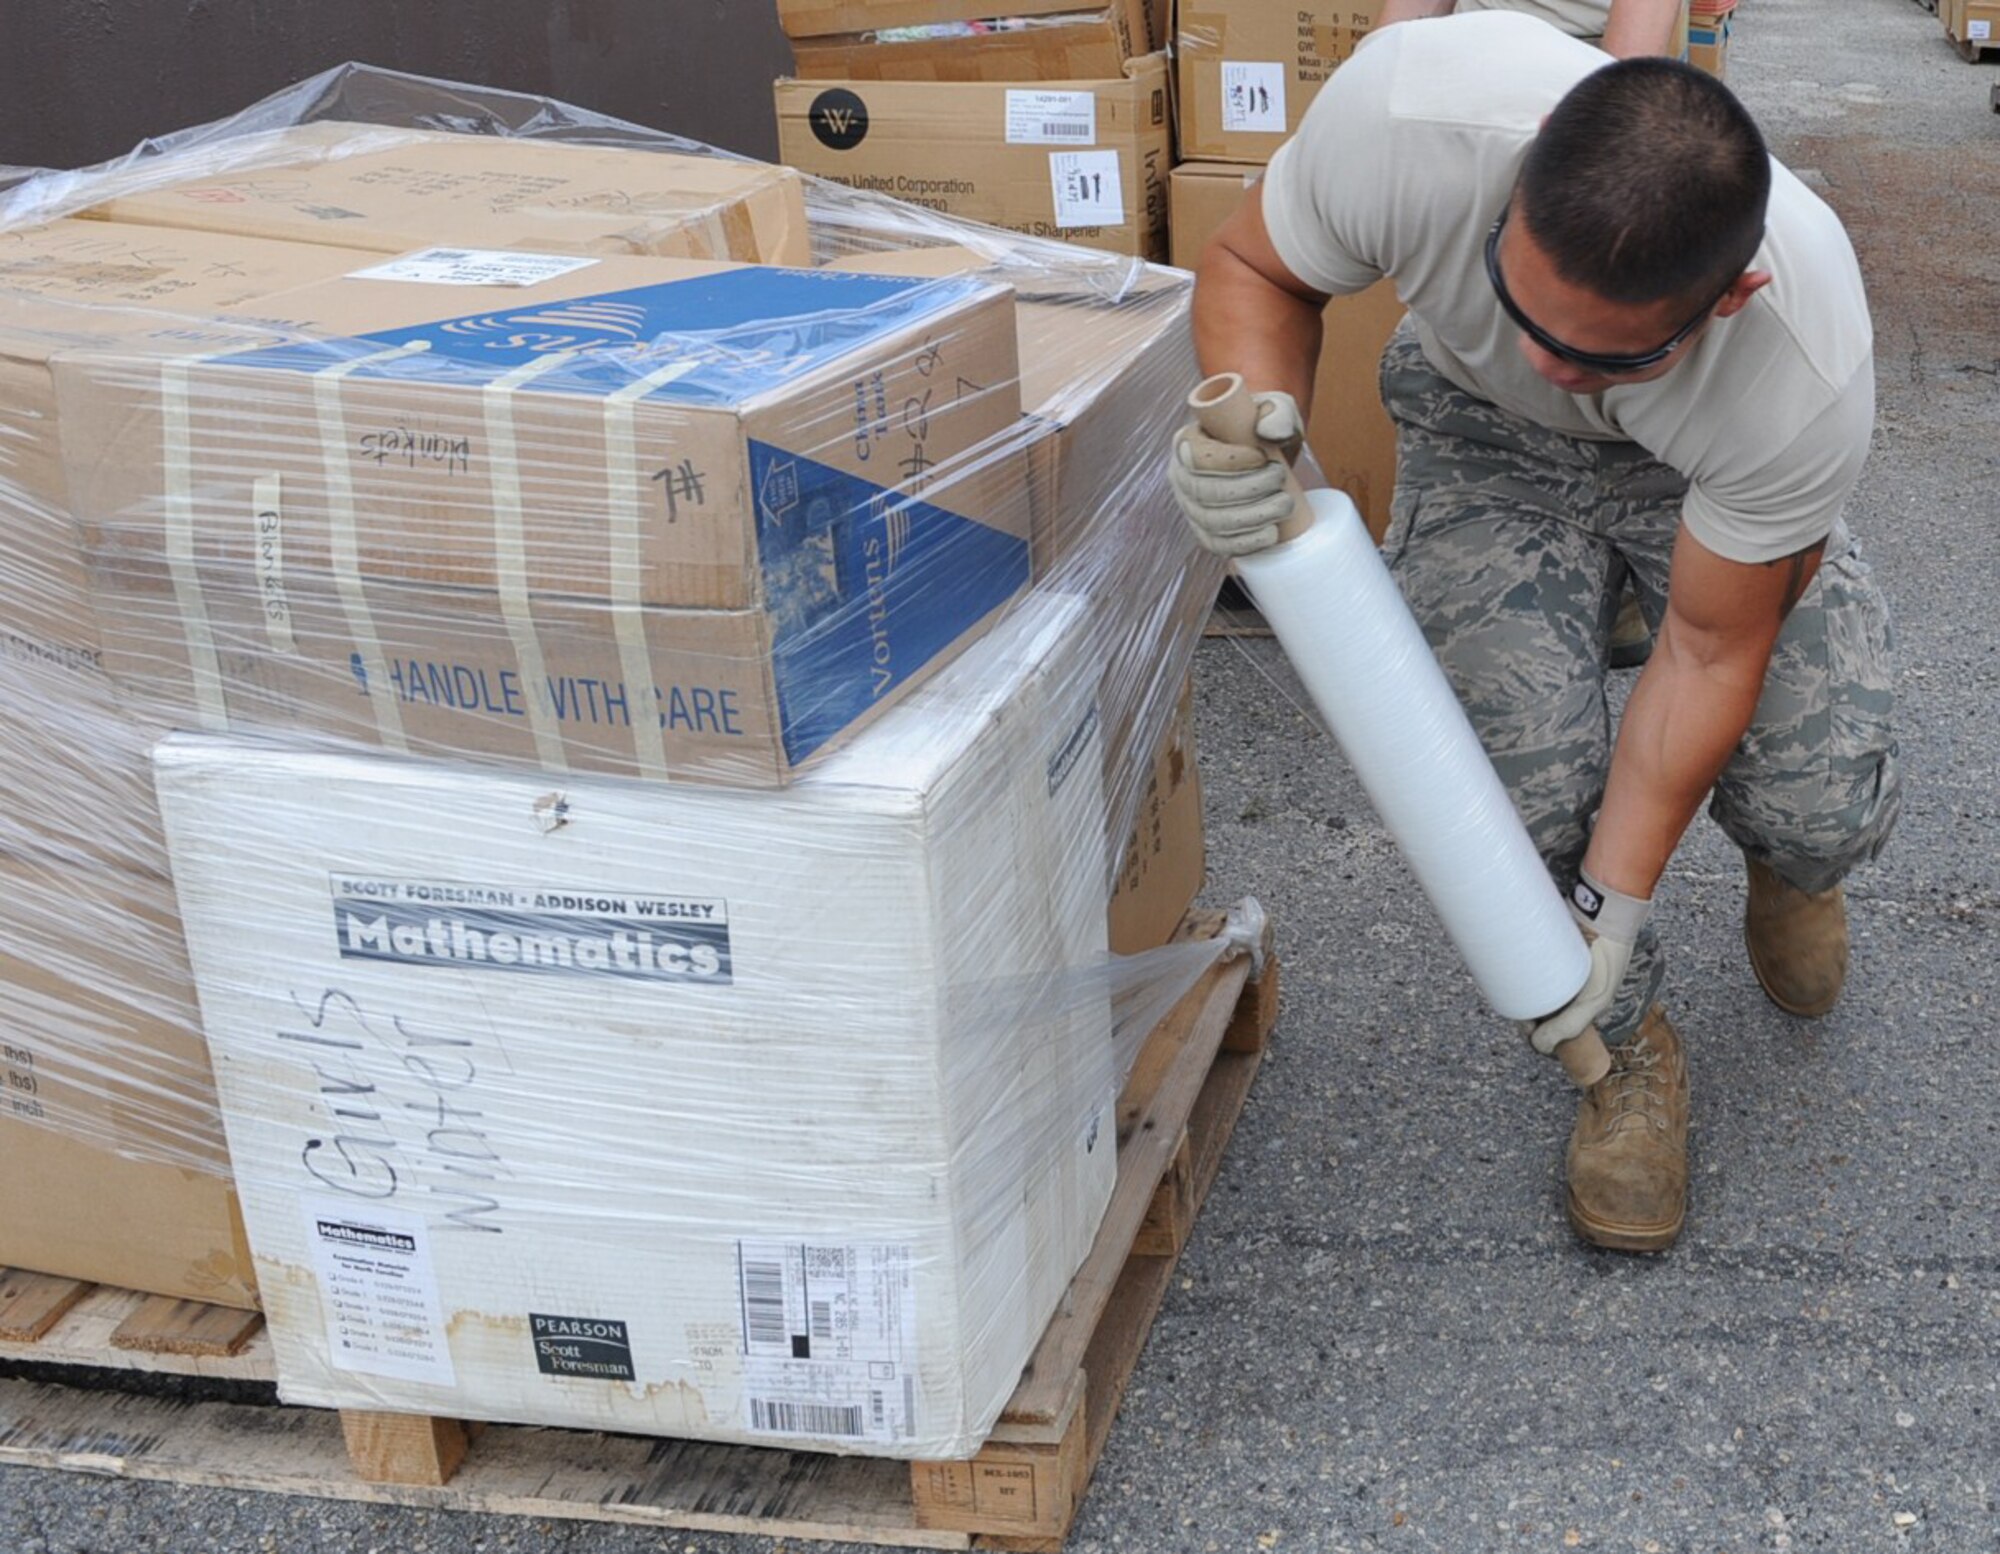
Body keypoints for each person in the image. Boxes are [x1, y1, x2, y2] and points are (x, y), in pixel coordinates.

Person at [1169, 12, 1900, 1253]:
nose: (1544, 359)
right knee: (1504, 803)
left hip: (1703, 487)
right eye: (1523, 305)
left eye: (1596, 353)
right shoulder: (1410, 119)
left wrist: (1608, 902)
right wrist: (1246, 427)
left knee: (1815, 798)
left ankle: (1788, 862)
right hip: (1481, 445)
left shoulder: (1799, 366)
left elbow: (1709, 651)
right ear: (1511, 192)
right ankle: (1617, 1052)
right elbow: (1259, 271)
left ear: (1730, 294)